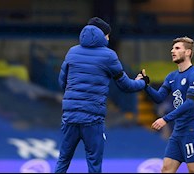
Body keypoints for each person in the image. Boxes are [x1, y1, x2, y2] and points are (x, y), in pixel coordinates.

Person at [55, 17, 146, 173]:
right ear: (102, 35)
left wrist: (74, 98)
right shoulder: (109, 56)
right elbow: (126, 85)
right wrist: (143, 82)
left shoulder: (72, 52)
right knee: (94, 164)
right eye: (108, 35)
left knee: (63, 160)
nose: (109, 38)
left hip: (70, 117)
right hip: (92, 119)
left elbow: (61, 82)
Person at [136, 36, 194, 173]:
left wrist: (165, 119)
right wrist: (145, 85)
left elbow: (189, 104)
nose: (172, 51)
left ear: (188, 52)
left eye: (177, 48)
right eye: (172, 48)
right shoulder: (171, 77)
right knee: (166, 169)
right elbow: (158, 97)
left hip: (192, 131)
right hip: (178, 132)